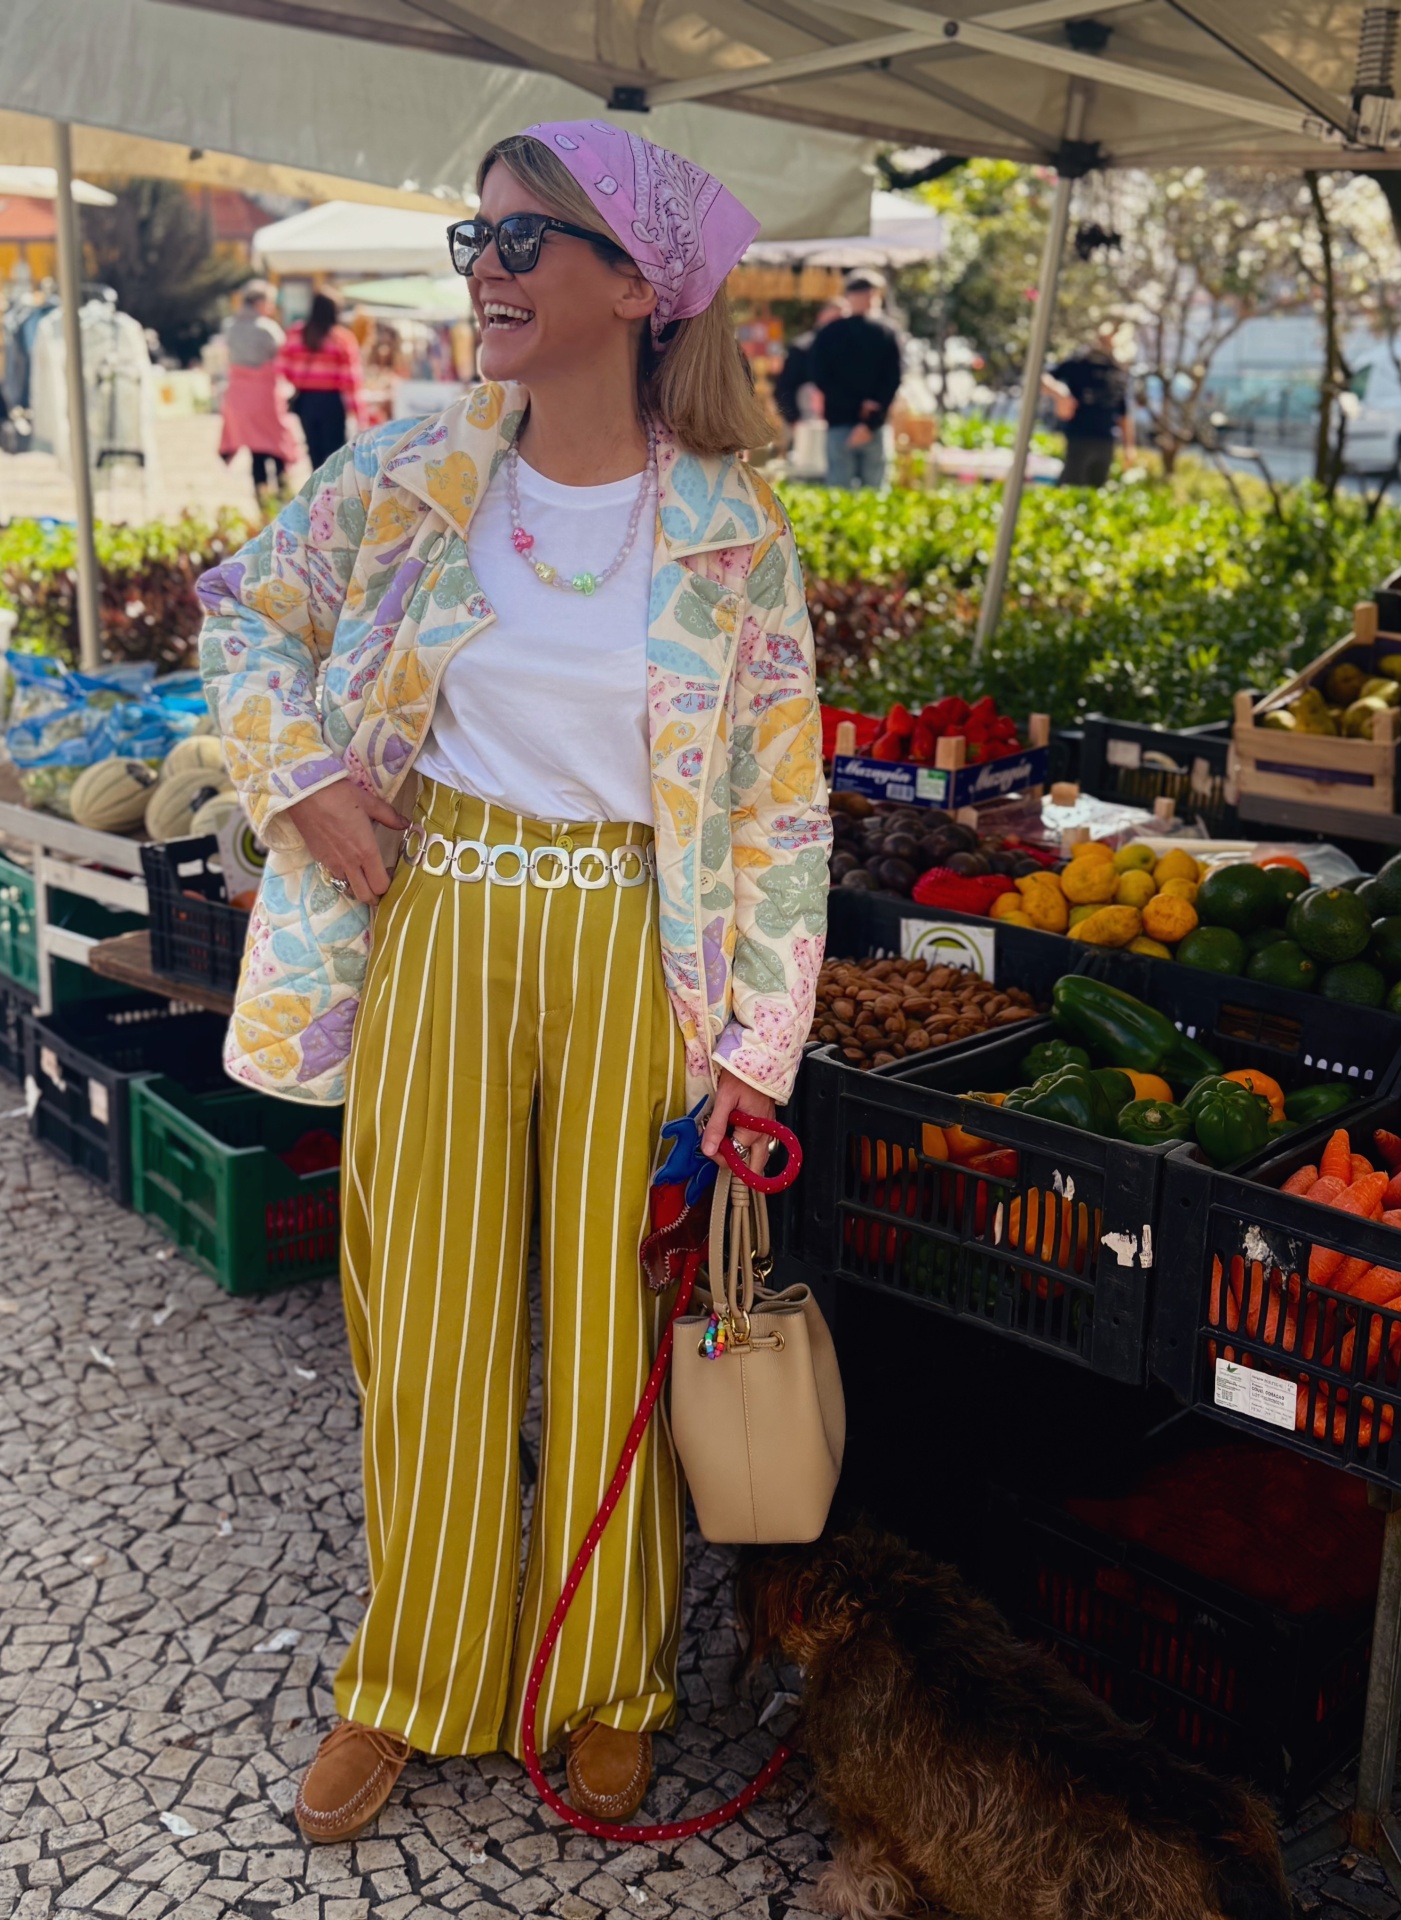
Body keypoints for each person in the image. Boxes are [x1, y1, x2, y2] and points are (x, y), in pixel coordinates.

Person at [195, 119, 830, 1841]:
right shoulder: (409, 472)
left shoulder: (728, 531)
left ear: (636, 285)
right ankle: (412, 1678)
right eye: (474, 244)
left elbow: (778, 805)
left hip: (637, 941)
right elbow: (241, 614)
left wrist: (756, 1050)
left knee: (616, 1326)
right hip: (443, 917)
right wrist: (303, 782)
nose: (484, 276)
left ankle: (604, 1683)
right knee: (429, 1326)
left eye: (520, 245)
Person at [808, 270, 902, 489]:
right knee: (876, 497)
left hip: (840, 422)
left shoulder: (828, 333)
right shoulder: (887, 332)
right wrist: (869, 417)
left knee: (839, 496)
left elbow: (819, 377)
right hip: (874, 424)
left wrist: (852, 407)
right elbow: (893, 379)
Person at [217, 279, 298, 506]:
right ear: (259, 302)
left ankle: (261, 498)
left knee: (256, 449)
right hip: (264, 394)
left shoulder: (230, 327)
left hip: (239, 395)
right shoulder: (267, 329)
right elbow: (283, 356)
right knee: (277, 445)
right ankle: (283, 494)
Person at [278, 289, 364, 469]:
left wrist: (301, 379)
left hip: (305, 401)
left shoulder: (296, 333)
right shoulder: (341, 338)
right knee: (335, 455)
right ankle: (335, 494)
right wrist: (359, 414)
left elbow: (282, 368)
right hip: (332, 402)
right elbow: (350, 382)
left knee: (314, 452)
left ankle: (317, 492)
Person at [1043, 325, 1136, 486]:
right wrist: (1060, 394)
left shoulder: (1117, 371)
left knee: (1096, 489)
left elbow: (1123, 412)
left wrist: (1129, 447)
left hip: (1106, 439)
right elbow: (1043, 376)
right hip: (1079, 434)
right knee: (1071, 485)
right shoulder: (1078, 363)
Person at [772, 297, 842, 432]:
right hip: (807, 423)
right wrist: (794, 420)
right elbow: (784, 388)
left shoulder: (852, 350)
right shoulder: (802, 348)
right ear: (822, 317)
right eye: (835, 320)